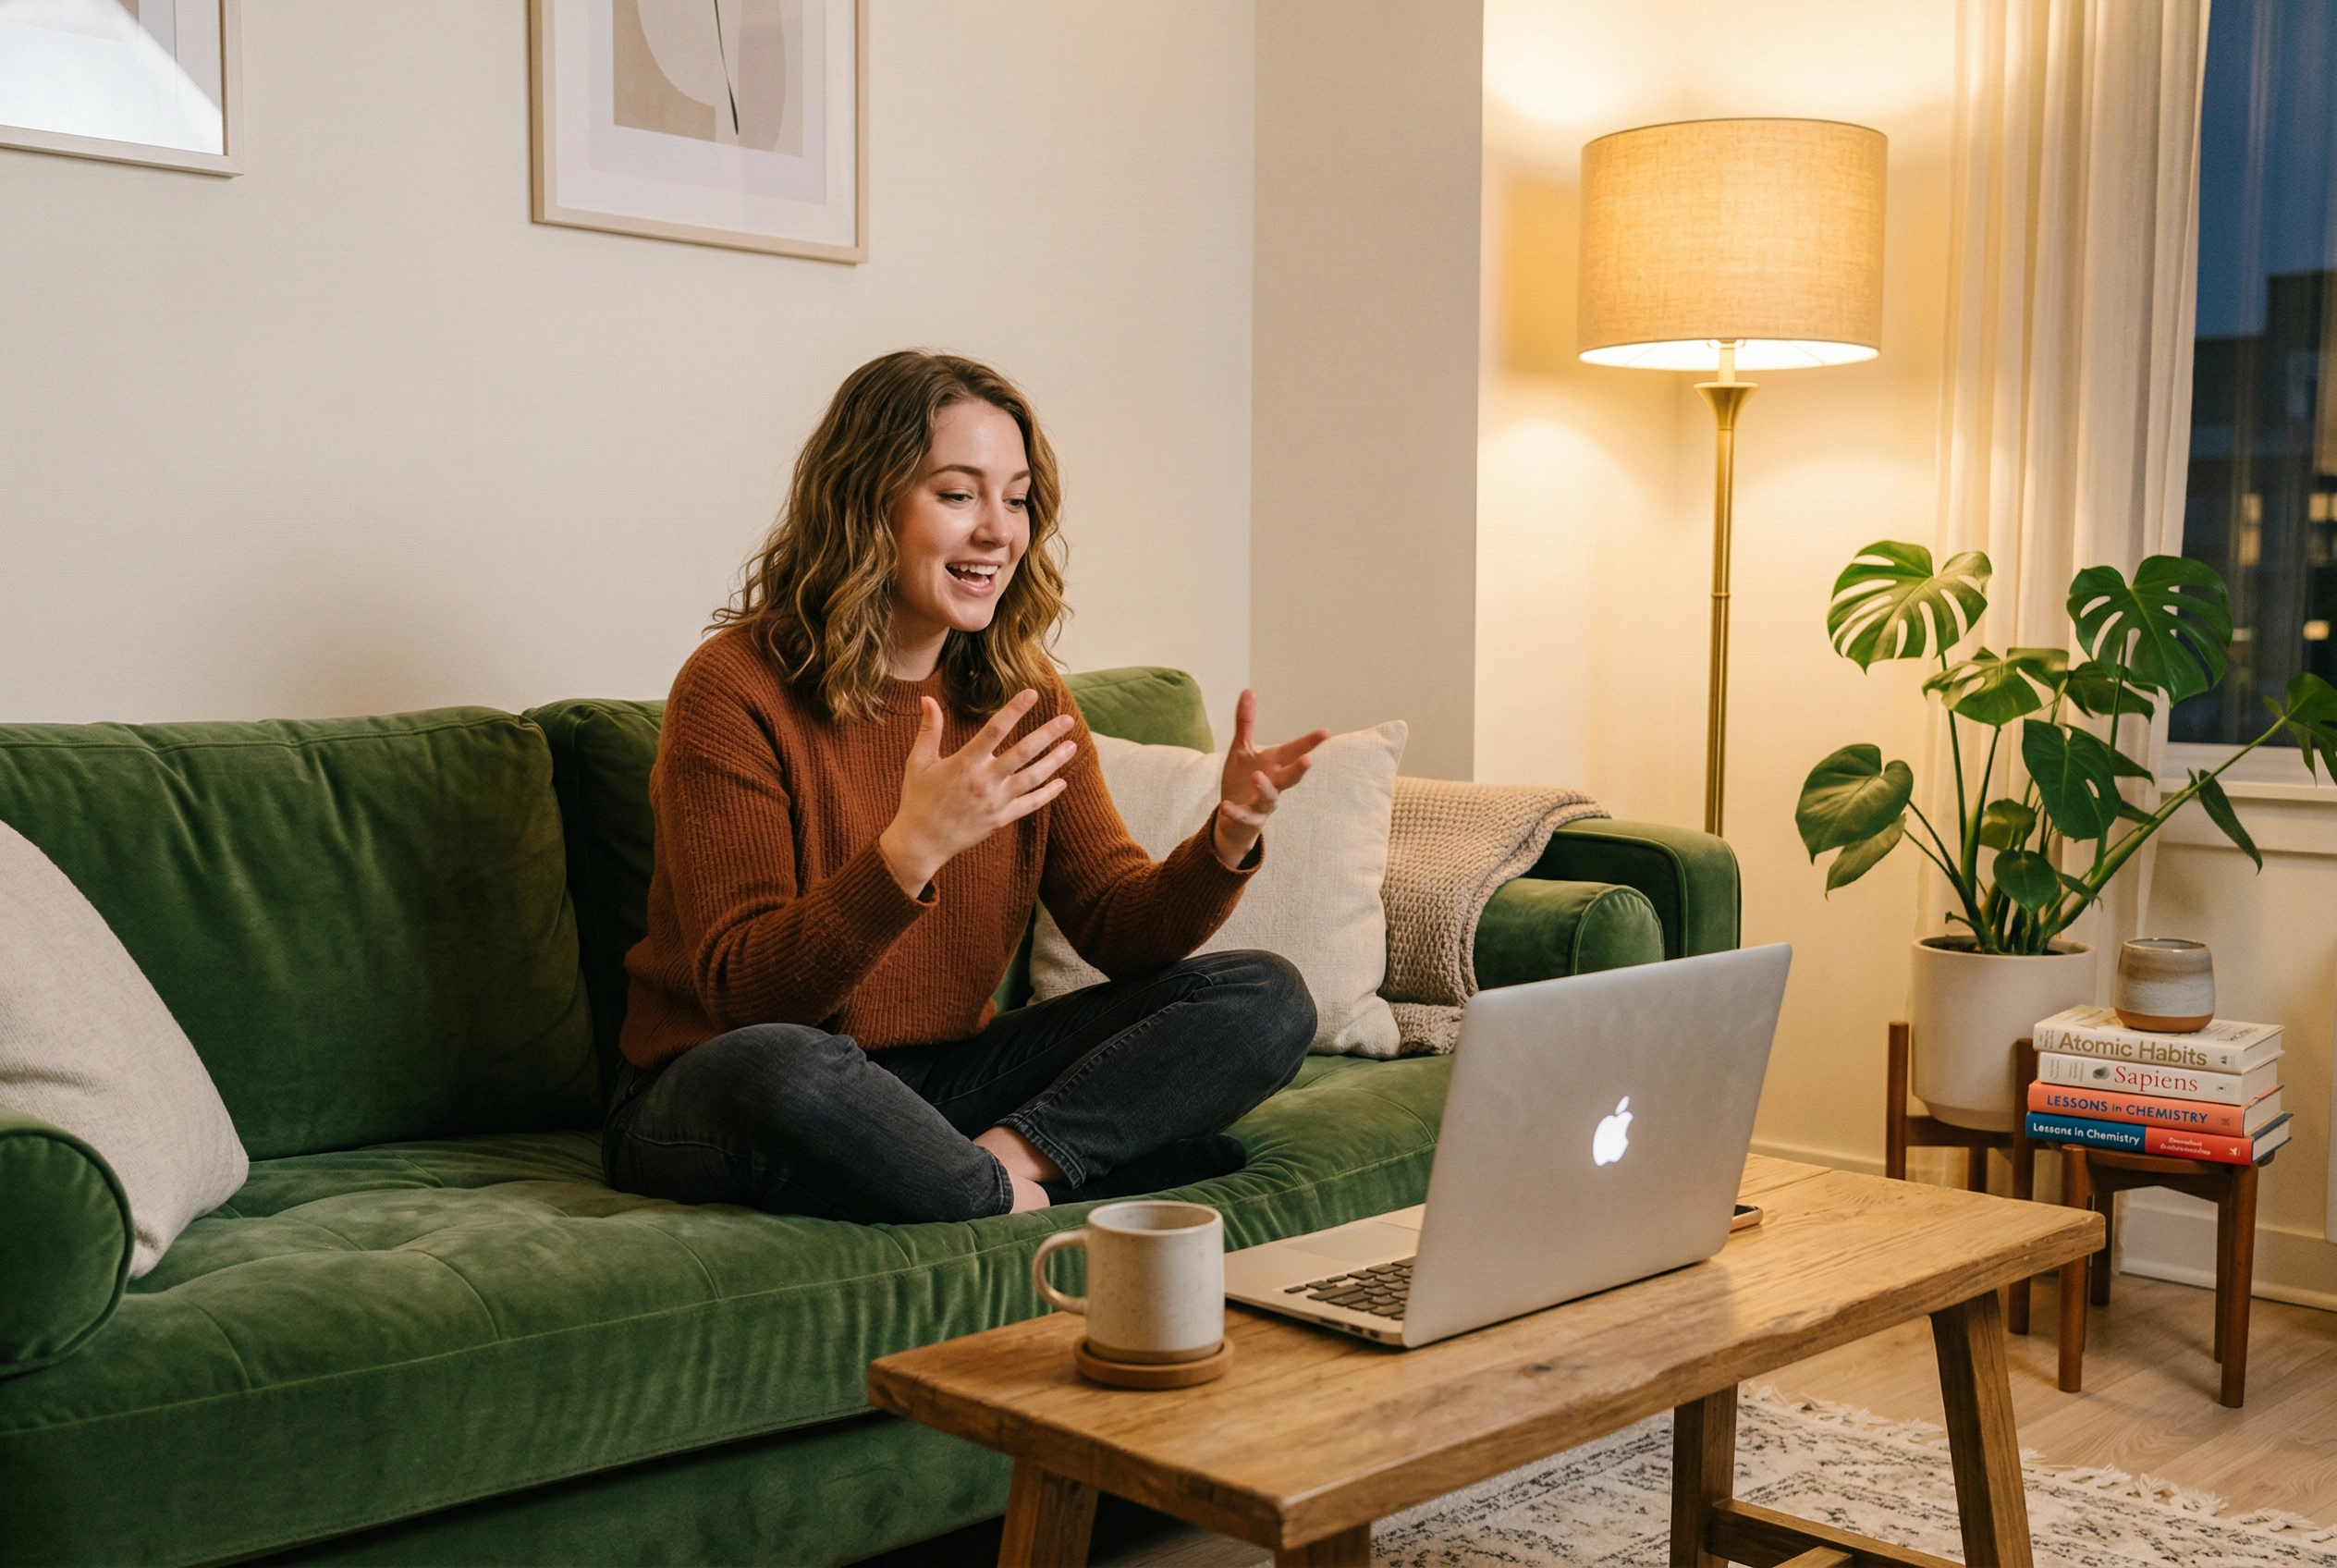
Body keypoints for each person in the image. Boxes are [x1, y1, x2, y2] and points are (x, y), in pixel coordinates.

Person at [603, 349, 1329, 1223]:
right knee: (783, 1063)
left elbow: (1121, 927)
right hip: (719, 1088)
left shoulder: (1021, 696)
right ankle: (1037, 1188)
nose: (998, 532)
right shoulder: (736, 687)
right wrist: (913, 848)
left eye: (1015, 499)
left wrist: (1226, 840)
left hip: (940, 1084)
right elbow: (750, 997)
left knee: (1263, 996)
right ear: (866, 503)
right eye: (957, 495)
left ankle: (998, 1174)